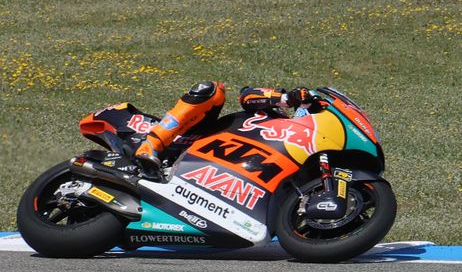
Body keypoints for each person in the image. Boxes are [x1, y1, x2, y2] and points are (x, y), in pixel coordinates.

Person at [133, 81, 343, 215]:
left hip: (213, 173)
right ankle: (151, 146)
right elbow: (247, 96)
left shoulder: (295, 161)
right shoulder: (274, 113)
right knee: (211, 89)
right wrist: (286, 99)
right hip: (190, 141)